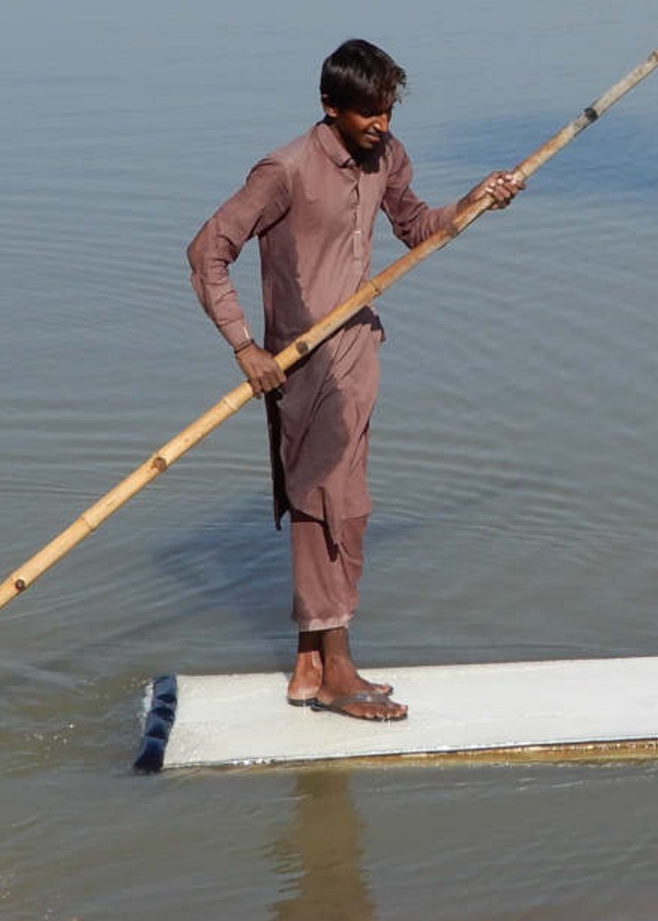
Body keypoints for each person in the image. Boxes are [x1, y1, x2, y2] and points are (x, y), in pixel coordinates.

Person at [187, 39, 522, 723]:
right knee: (334, 505)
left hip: (356, 348)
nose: (382, 124)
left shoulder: (388, 158)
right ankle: (338, 670)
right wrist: (244, 347)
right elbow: (207, 251)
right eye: (368, 112)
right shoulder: (284, 171)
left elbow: (415, 228)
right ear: (330, 107)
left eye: (389, 110)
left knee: (330, 501)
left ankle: (311, 668)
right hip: (301, 361)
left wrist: (475, 201)